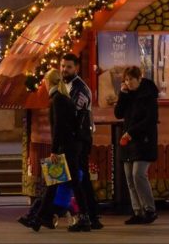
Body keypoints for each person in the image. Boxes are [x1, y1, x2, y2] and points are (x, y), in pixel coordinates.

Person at [26, 69, 92, 232]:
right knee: (56, 183)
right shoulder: (63, 98)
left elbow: (59, 128)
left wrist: (54, 150)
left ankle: (82, 218)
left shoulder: (58, 100)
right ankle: (41, 218)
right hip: (70, 146)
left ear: (49, 82)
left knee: (65, 182)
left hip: (66, 147)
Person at [61, 53, 103, 229]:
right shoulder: (66, 85)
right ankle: (91, 216)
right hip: (76, 138)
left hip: (79, 139)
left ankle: (88, 215)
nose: (64, 69)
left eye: (68, 67)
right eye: (63, 66)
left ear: (76, 68)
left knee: (79, 177)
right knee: (81, 177)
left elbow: (73, 112)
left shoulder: (80, 88)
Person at [114, 66, 160, 224]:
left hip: (143, 140)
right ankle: (137, 211)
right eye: (126, 80)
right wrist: (123, 94)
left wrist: (132, 132)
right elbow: (118, 113)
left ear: (139, 79)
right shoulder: (128, 94)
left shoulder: (148, 94)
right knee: (129, 177)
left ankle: (149, 209)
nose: (128, 82)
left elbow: (150, 119)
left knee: (138, 174)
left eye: (131, 79)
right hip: (128, 141)